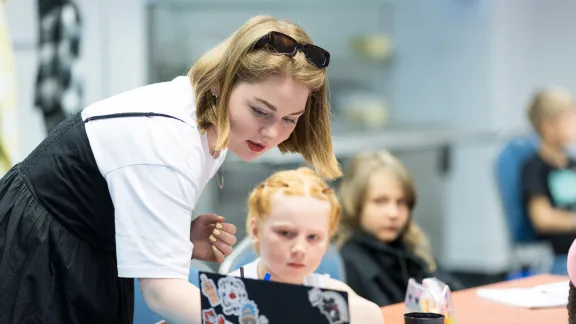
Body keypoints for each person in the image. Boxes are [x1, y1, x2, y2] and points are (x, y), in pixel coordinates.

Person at [0, 15, 340, 324]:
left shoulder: (215, 124)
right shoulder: (169, 138)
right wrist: (258, 318)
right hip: (38, 257)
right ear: (222, 83)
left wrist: (173, 237)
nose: (271, 133)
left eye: (289, 120)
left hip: (83, 253)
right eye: (260, 111)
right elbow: (162, 294)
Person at [228, 167, 385, 323]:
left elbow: (372, 315)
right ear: (256, 232)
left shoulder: (336, 296)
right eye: (286, 233)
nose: (300, 249)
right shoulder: (227, 294)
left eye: (313, 237)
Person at [335, 151, 463, 307]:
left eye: (401, 202)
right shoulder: (346, 261)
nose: (394, 213)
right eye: (380, 201)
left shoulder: (412, 247)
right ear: (354, 204)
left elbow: (456, 297)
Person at [522, 87, 576, 275]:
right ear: (549, 127)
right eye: (570, 117)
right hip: (559, 256)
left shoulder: (572, 163)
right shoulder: (534, 168)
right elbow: (543, 218)